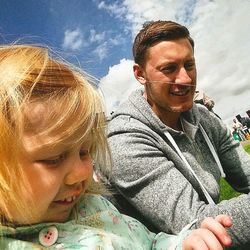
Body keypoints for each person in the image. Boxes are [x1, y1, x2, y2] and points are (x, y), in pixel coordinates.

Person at [0, 44, 232, 250]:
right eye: (54, 158)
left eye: (85, 151)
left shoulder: (96, 208)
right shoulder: (128, 136)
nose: (82, 172)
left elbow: (148, 241)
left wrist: (182, 244)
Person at [106, 20, 250, 249]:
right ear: (140, 74)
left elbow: (245, 173)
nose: (185, 79)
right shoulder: (124, 141)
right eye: (169, 68)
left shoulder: (202, 116)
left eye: (189, 65)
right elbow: (197, 227)